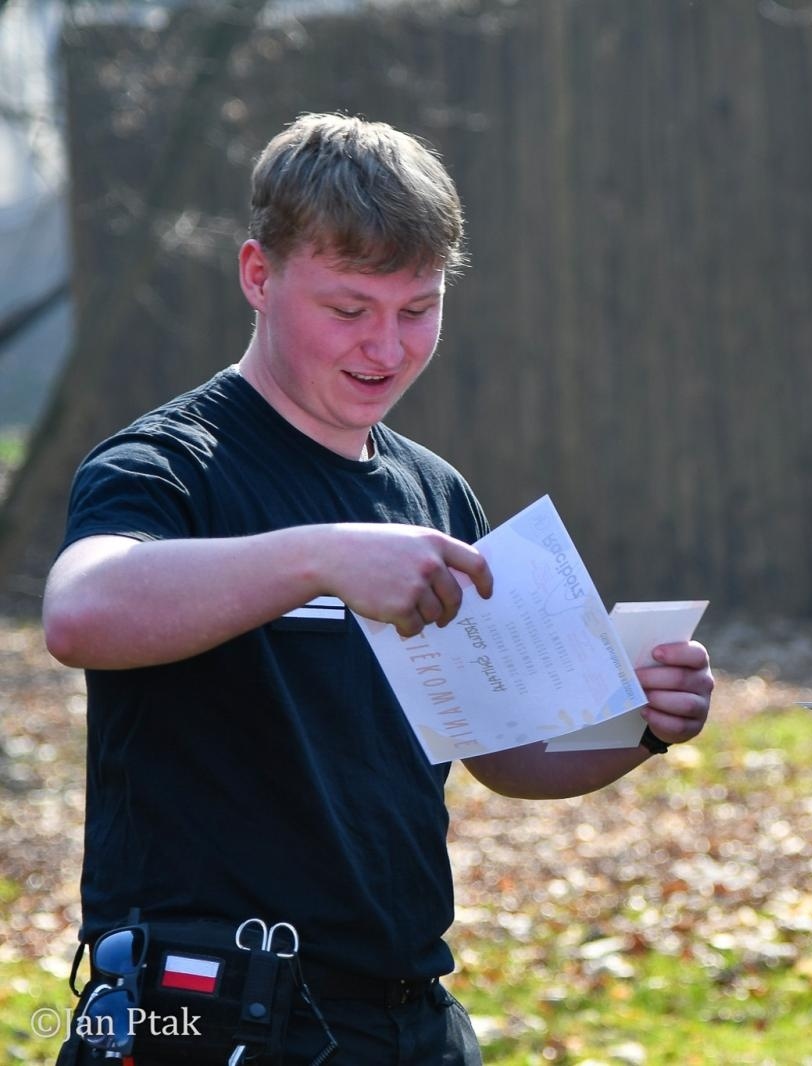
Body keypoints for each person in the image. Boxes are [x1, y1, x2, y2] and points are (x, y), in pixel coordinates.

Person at [42, 113, 713, 1064]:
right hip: (203, 1015)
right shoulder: (169, 464)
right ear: (258, 276)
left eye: (419, 309)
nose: (387, 349)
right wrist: (320, 558)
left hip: (408, 1015)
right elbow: (79, 613)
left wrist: (639, 721)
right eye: (350, 310)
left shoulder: (433, 492)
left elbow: (505, 752)